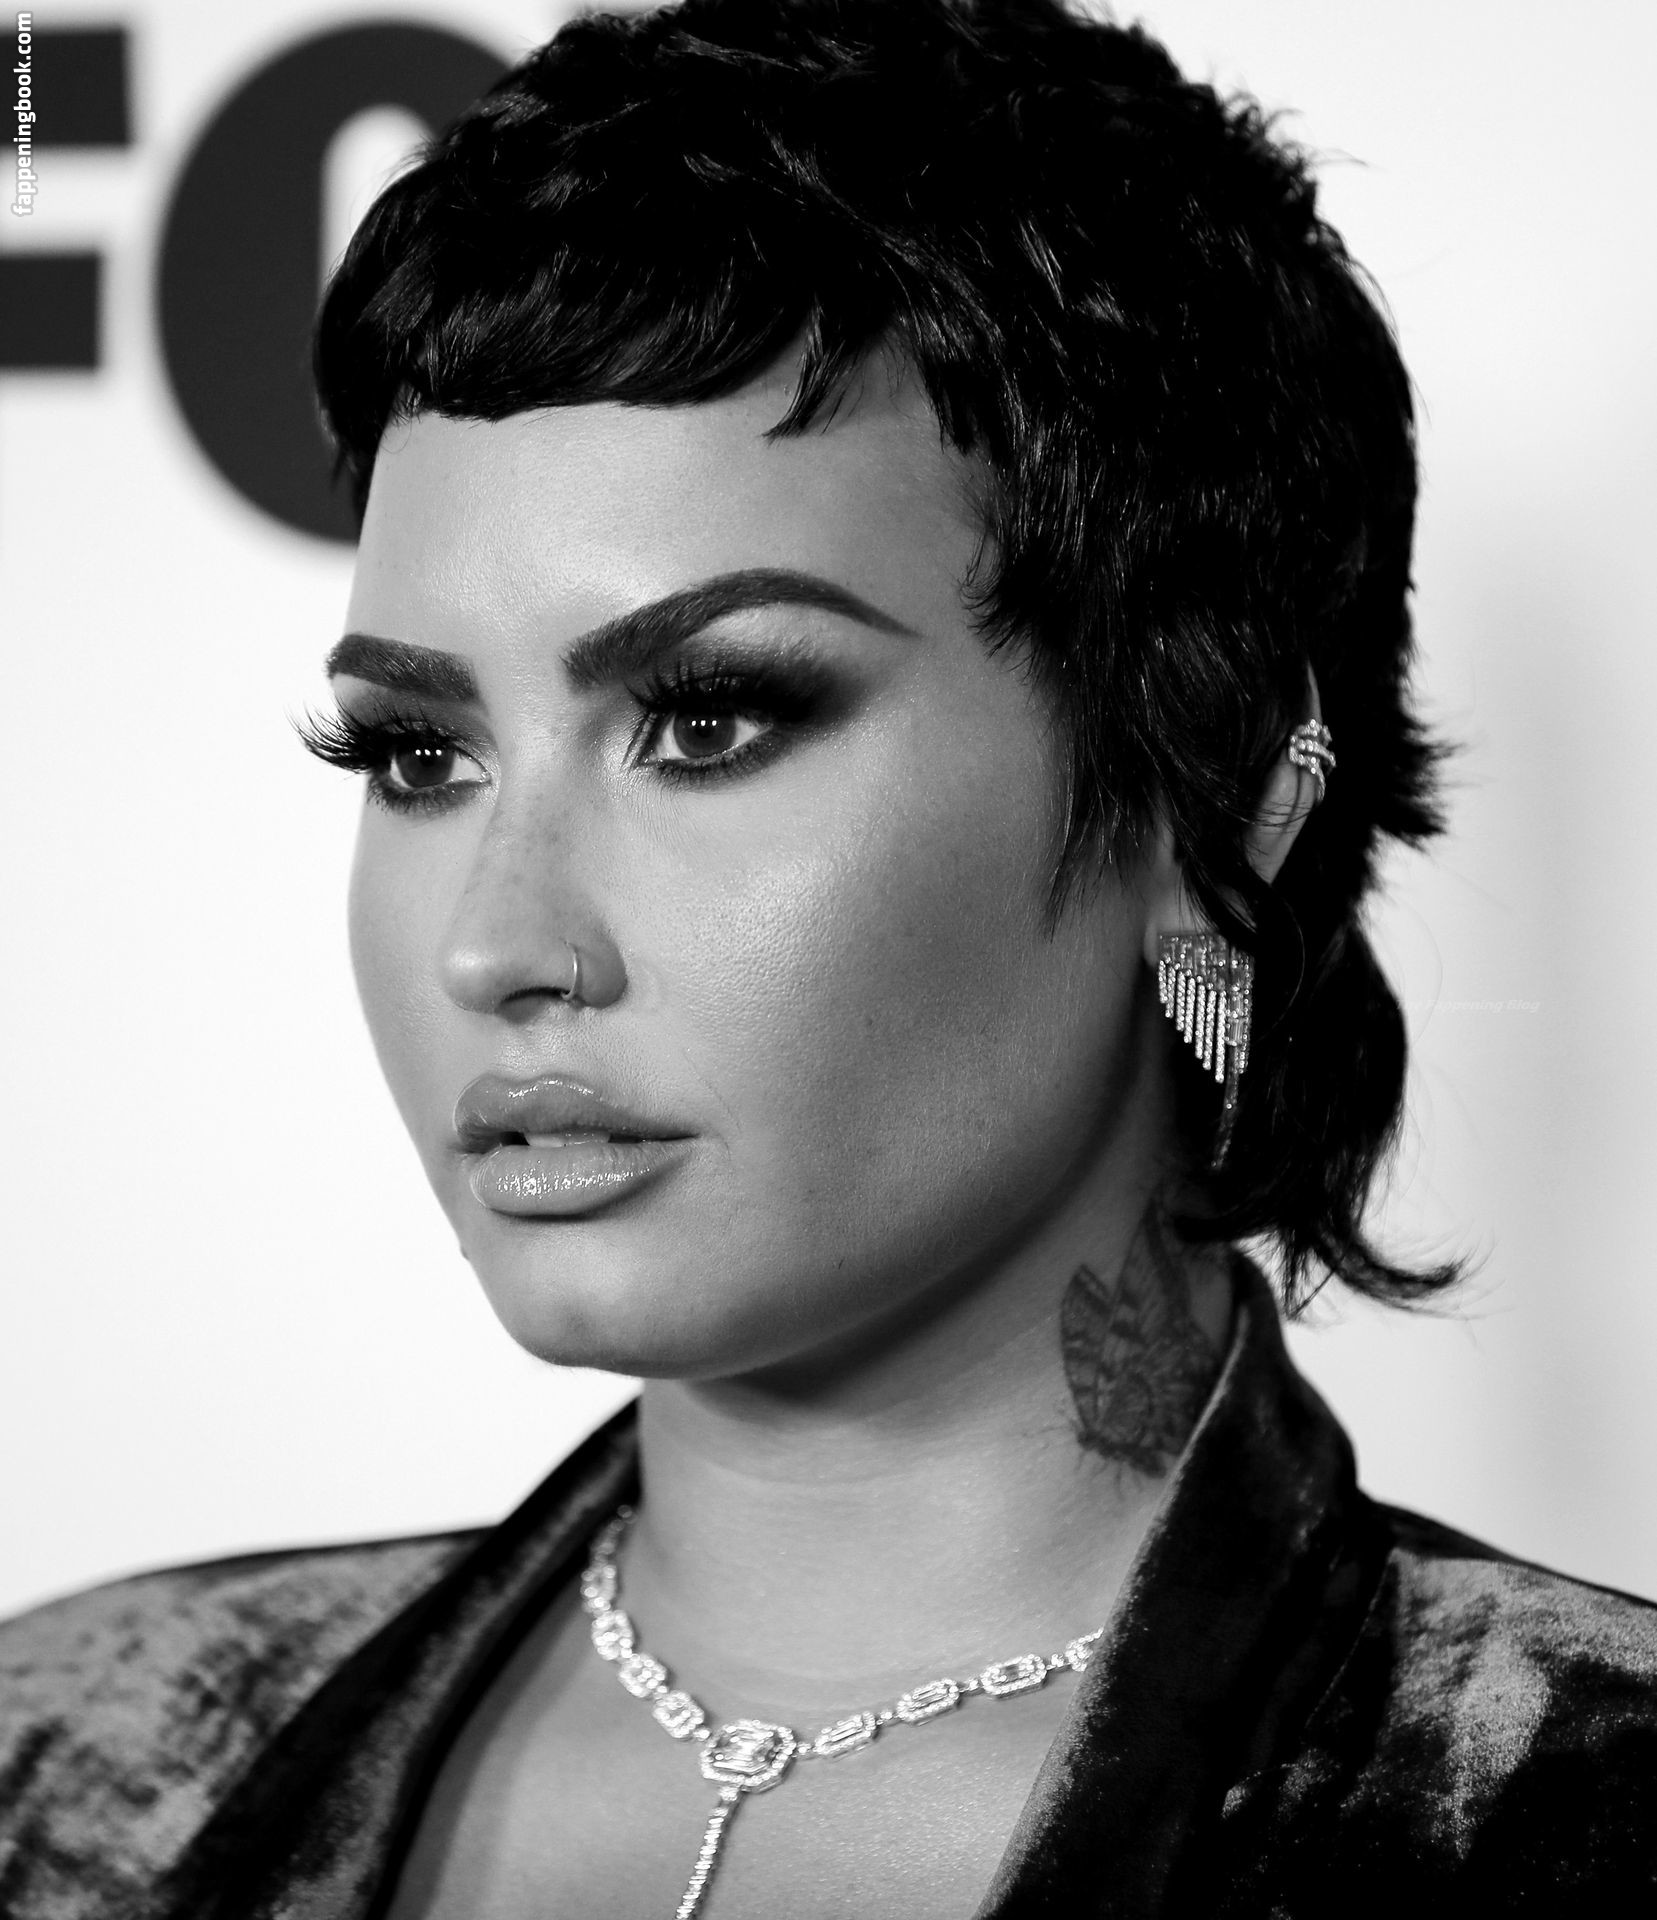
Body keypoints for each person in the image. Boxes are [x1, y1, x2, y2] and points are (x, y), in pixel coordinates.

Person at [3, 1, 1655, 1913]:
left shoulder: (1575, 1811)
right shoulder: (64, 1765)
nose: (496, 944)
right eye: (421, 755)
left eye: (707, 719)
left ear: (1205, 786)